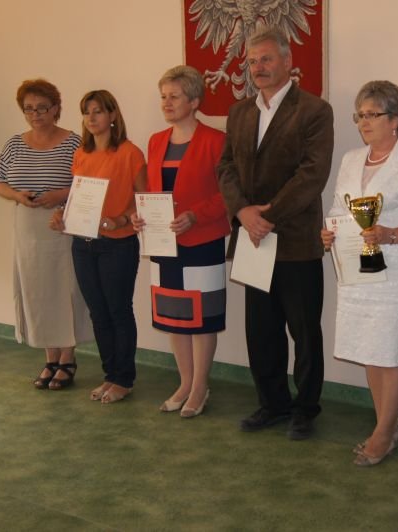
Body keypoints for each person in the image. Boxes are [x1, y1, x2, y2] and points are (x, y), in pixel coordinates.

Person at [321, 81, 398, 466]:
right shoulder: (351, 159)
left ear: (395, 119)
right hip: (357, 272)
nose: (364, 122)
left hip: (396, 273)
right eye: (360, 115)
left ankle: (383, 433)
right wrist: (330, 231)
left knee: (391, 354)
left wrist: (391, 234)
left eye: (372, 115)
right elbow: (339, 209)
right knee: (371, 352)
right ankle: (385, 427)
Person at [217, 26, 334, 440]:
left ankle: (305, 409)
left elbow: (312, 175)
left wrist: (266, 217)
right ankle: (272, 403)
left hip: (296, 240)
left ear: (287, 61)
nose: (258, 68)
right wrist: (242, 211)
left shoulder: (315, 110)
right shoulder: (239, 112)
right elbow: (225, 168)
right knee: (261, 331)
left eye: (266, 59)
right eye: (252, 61)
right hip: (252, 238)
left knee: (304, 333)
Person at [131, 66, 230, 418]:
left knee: (202, 318)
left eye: (174, 96)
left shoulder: (216, 140)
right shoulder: (156, 141)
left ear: (194, 101)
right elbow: (152, 190)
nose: (166, 103)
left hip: (202, 240)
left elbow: (229, 194)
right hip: (164, 243)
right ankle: (185, 382)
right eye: (163, 96)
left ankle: (200, 386)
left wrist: (195, 215)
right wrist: (140, 214)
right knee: (174, 314)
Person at [0, 79, 91, 390]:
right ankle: (50, 359)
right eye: (29, 109)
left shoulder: (73, 142)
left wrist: (59, 195)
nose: (35, 114)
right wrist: (17, 195)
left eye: (42, 108)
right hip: (27, 228)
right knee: (38, 292)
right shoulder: (14, 144)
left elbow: (88, 183)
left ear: (56, 108)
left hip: (61, 225)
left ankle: (67, 359)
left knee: (65, 290)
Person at [50, 90, 146, 404]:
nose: (91, 118)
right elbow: (78, 199)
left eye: (98, 111)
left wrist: (121, 220)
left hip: (118, 245)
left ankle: (124, 379)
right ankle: (110, 375)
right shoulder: (81, 153)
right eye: (86, 112)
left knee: (118, 311)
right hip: (83, 244)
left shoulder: (130, 153)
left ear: (113, 115)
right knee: (98, 314)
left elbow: (143, 199)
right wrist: (62, 215)